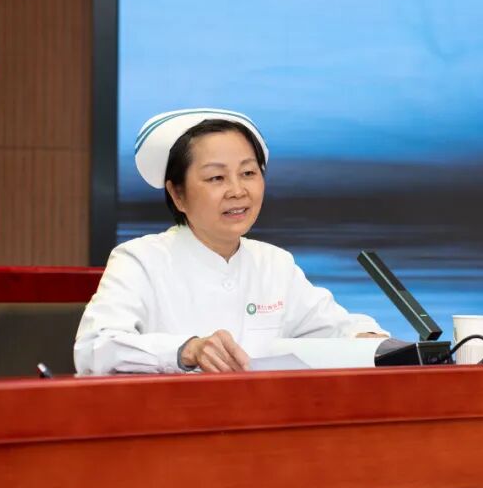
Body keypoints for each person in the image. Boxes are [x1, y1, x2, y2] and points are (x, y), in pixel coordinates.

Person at [74, 108, 388, 375]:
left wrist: (370, 340)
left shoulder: (274, 263)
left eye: (248, 173)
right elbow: (94, 349)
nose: (237, 191)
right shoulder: (140, 259)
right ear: (177, 194)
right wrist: (186, 351)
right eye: (216, 178)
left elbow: (334, 328)